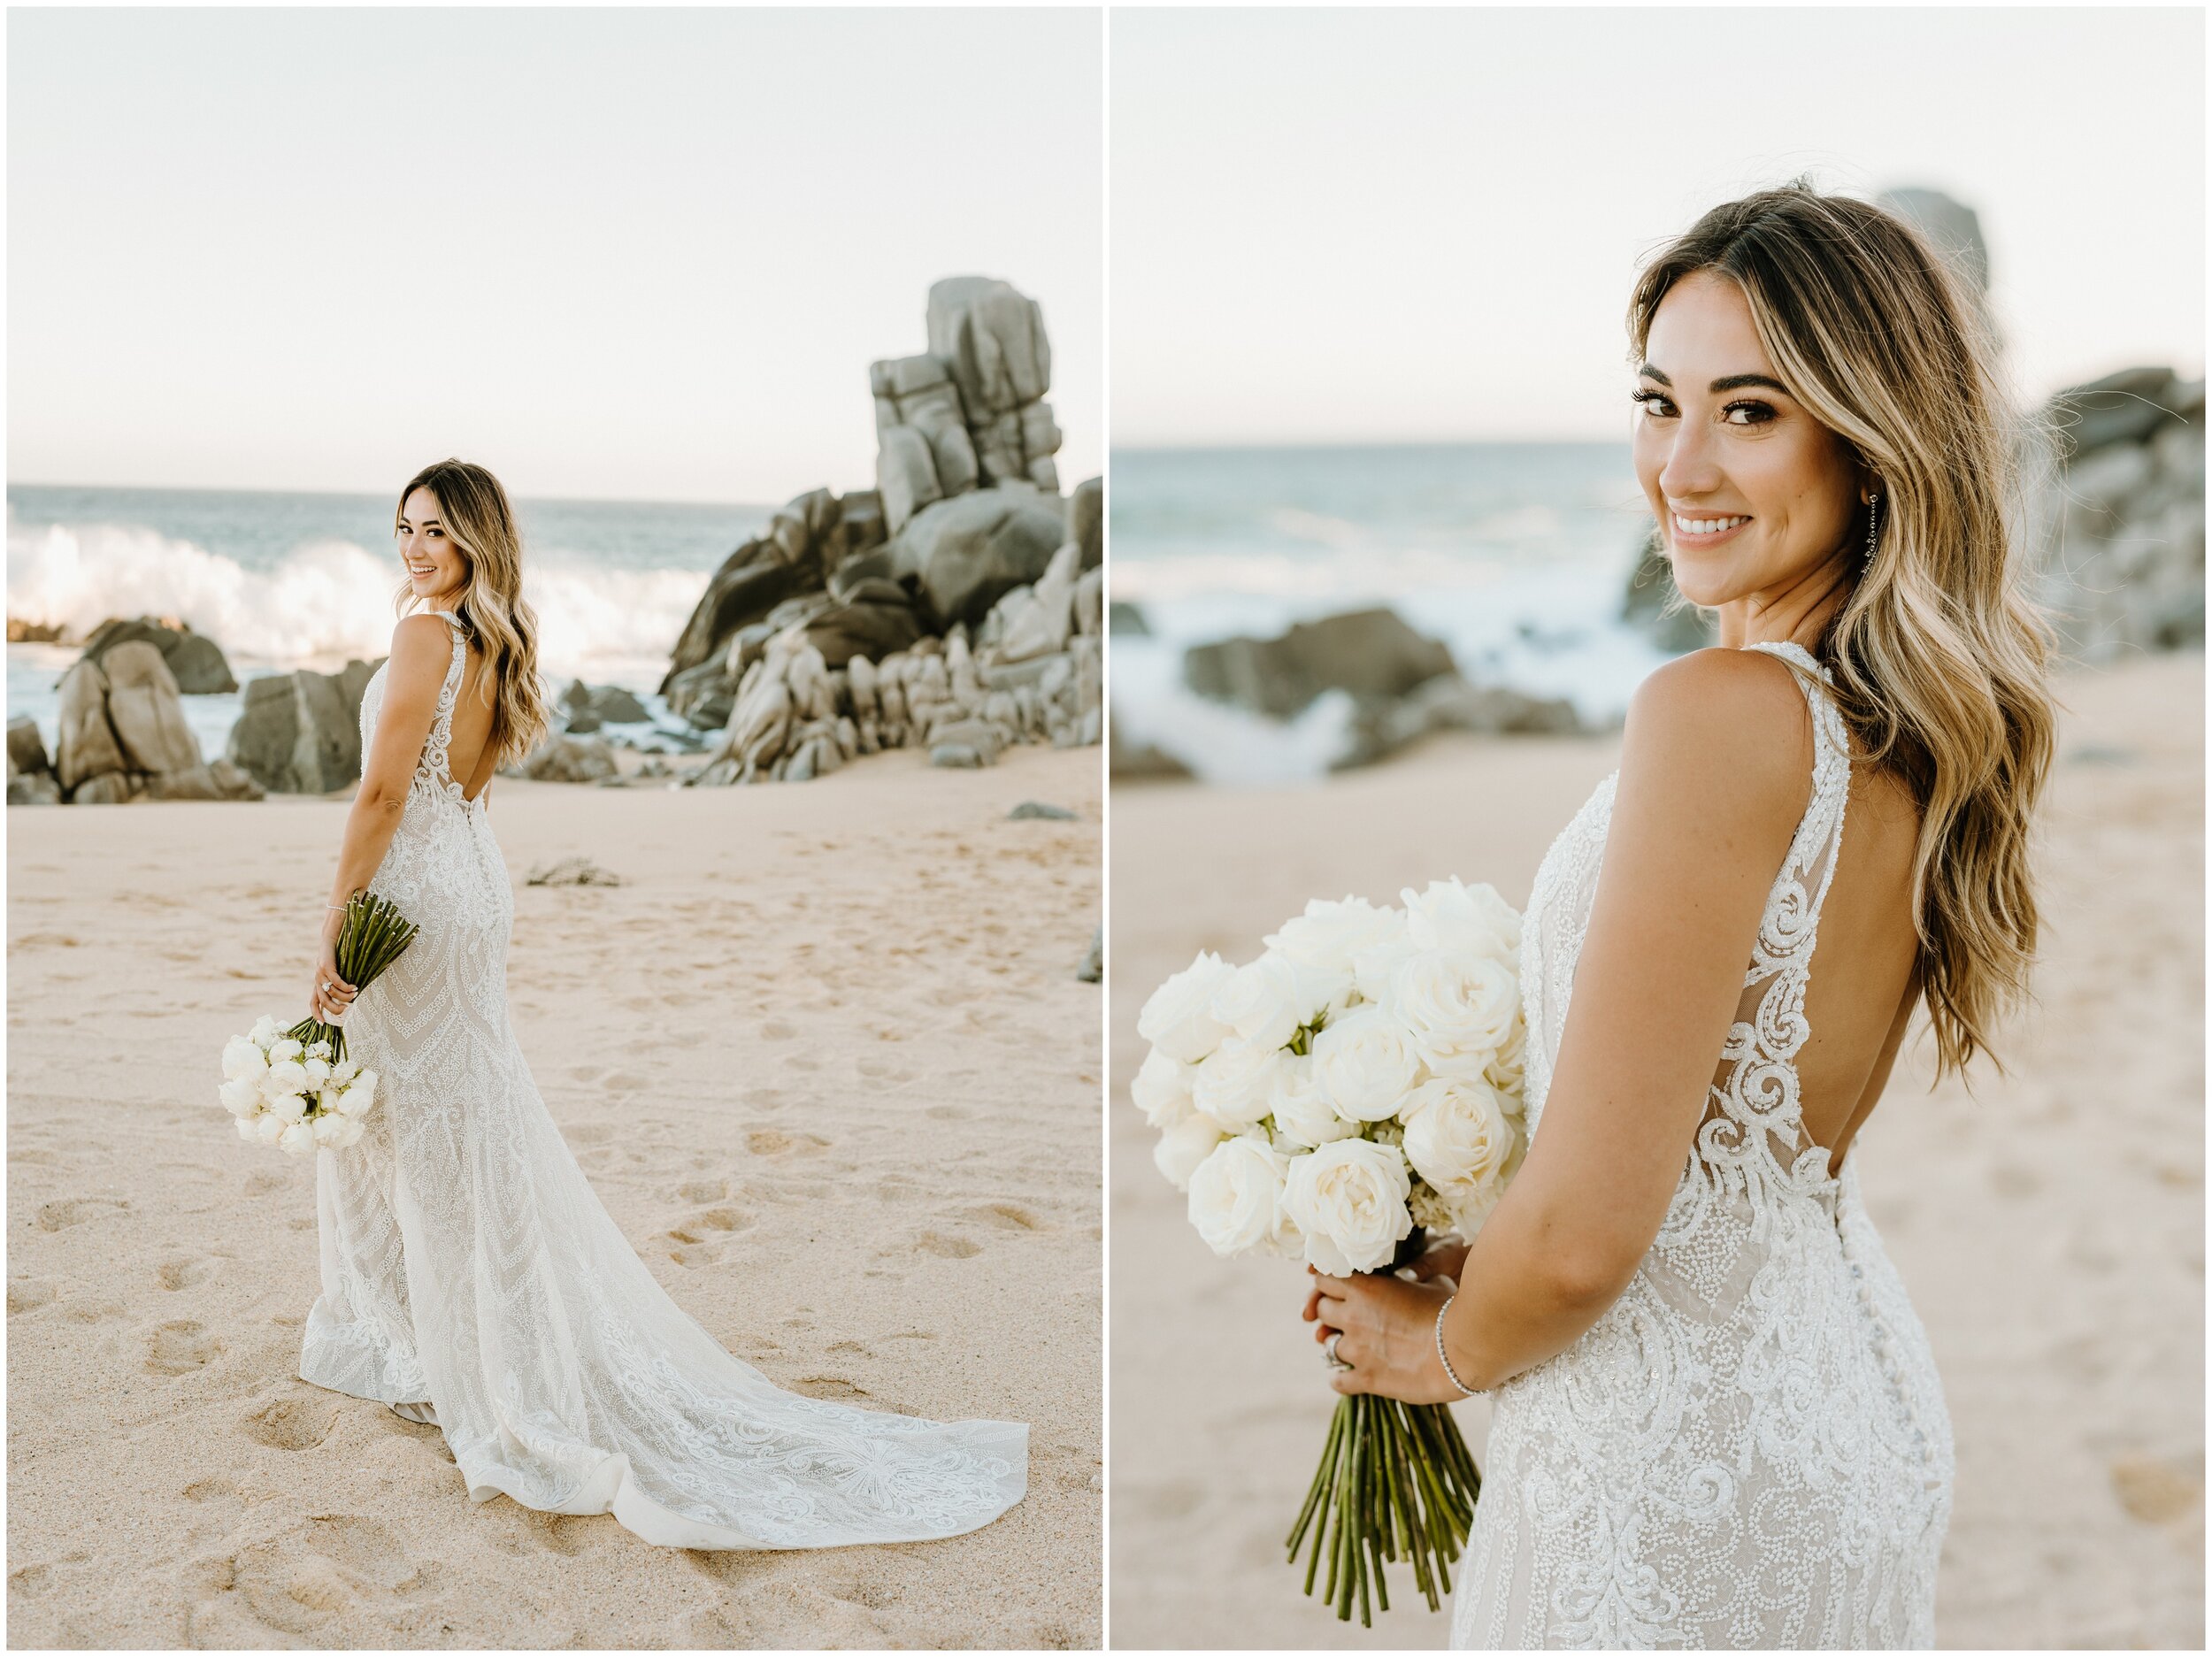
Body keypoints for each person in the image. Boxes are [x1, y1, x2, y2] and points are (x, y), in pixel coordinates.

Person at [1303, 182, 2055, 1647]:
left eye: (1751, 410)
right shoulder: (1906, 731)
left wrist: (1443, 1347)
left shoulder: (1723, 714)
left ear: (1873, 439)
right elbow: (1736, 1149)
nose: (1681, 465)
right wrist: (1491, 1255)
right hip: (1844, 1402)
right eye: (1660, 402)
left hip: (1677, 1454)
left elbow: (1591, 1238)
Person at [299, 457, 1026, 1549]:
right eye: (402, 528)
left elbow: (384, 792)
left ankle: (446, 1355)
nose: (413, 550)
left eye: (435, 533)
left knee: (410, 1125)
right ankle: (464, 1340)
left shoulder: (423, 636)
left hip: (415, 897)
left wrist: (335, 921)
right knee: (460, 1118)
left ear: (474, 543)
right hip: (476, 887)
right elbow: (470, 785)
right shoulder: (498, 644)